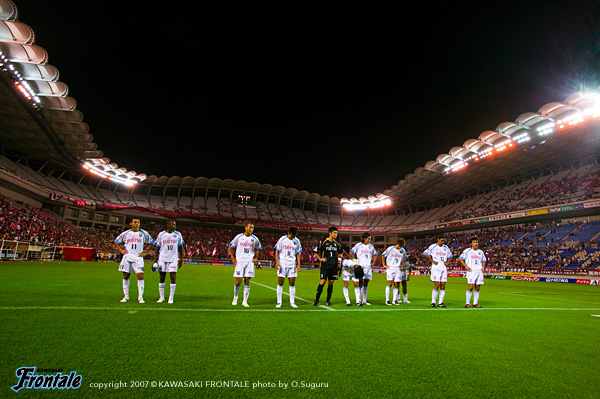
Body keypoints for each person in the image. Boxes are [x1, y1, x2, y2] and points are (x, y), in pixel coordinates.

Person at [115, 219, 155, 303]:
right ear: (131, 223)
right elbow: (116, 241)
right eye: (135, 222)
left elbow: (152, 242)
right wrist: (121, 250)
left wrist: (146, 252)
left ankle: (140, 297)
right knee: (126, 276)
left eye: (138, 222)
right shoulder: (126, 233)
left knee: (140, 276)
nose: (137, 224)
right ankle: (126, 296)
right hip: (127, 257)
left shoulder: (144, 233)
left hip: (138, 257)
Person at [229, 222, 262, 307]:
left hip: (249, 262)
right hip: (240, 261)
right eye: (250, 227)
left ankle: (245, 301)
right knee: (238, 281)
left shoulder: (254, 239)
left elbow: (260, 249)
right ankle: (235, 297)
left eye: (253, 228)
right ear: (245, 228)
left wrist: (256, 258)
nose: (251, 229)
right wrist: (232, 257)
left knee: (247, 280)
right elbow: (231, 246)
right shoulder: (239, 237)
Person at [152, 220, 184, 304]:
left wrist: (181, 259)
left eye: (175, 224)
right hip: (162, 259)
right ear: (168, 225)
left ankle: (171, 297)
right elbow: (157, 248)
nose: (174, 226)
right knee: (162, 277)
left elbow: (181, 247)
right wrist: (154, 260)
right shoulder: (161, 234)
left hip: (173, 259)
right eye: (173, 224)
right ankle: (161, 297)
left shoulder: (178, 234)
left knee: (173, 277)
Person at [313, 226, 344, 307]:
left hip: (334, 266)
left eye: (336, 233)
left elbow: (340, 252)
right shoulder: (323, 241)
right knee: (322, 281)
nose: (336, 234)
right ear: (330, 233)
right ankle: (316, 300)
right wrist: (320, 258)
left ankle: (328, 300)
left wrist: (339, 261)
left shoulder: (337, 243)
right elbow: (315, 250)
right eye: (334, 233)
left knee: (331, 282)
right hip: (325, 265)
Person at [274, 227, 302, 308]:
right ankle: (279, 302)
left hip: (292, 264)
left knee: (292, 283)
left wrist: (299, 265)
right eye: (292, 236)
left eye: (294, 236)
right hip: (282, 263)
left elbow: (298, 253)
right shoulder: (282, 239)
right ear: (288, 233)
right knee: (280, 282)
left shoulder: (297, 241)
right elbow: (277, 250)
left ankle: (292, 302)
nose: (293, 238)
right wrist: (276, 262)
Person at [422, 235, 453, 308]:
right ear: (438, 239)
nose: (443, 242)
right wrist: (432, 260)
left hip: (443, 266)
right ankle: (433, 302)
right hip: (436, 267)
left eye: (444, 241)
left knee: (443, 284)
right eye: (441, 240)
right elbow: (424, 253)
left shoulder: (445, 247)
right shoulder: (433, 247)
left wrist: (448, 262)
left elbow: (450, 256)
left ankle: (440, 303)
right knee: (437, 284)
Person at [459, 236, 487, 308]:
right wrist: (466, 266)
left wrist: (483, 267)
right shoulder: (467, 251)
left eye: (477, 242)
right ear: (471, 243)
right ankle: (467, 303)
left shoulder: (480, 252)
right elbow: (460, 258)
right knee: (471, 287)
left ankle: (475, 303)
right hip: (471, 271)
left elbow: (484, 260)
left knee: (478, 287)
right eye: (474, 242)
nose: (476, 243)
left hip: (479, 271)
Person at [350, 232, 377, 305]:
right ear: (364, 238)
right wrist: (355, 263)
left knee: (366, 283)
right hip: (361, 267)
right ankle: (358, 300)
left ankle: (364, 300)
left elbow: (375, 254)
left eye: (370, 239)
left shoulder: (371, 246)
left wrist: (373, 263)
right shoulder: (358, 245)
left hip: (368, 267)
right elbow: (351, 253)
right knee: (360, 283)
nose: (370, 240)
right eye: (369, 239)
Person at [382, 238, 407, 305]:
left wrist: (402, 266)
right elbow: (383, 255)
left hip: (397, 268)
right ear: (397, 243)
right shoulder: (390, 249)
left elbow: (404, 258)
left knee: (396, 284)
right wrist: (384, 264)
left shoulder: (402, 250)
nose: (399, 247)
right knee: (389, 283)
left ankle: (394, 300)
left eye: (401, 246)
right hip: (390, 267)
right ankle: (387, 300)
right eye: (399, 246)